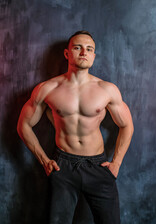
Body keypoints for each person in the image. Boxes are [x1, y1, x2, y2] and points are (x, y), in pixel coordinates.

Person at [17, 31, 134, 224]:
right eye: (77, 47)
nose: (83, 52)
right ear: (67, 53)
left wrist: (117, 163)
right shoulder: (48, 88)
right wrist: (44, 160)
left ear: (94, 56)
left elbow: (127, 125)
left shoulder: (107, 89)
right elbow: (24, 125)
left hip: (98, 166)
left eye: (89, 49)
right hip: (63, 166)